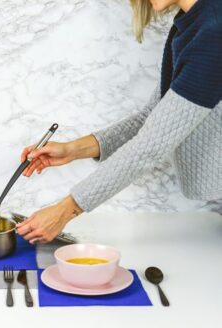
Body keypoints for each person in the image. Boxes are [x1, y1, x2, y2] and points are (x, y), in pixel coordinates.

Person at [16, 0, 222, 244]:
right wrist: (73, 149)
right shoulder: (190, 26)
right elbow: (154, 117)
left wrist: (65, 210)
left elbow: (152, 144)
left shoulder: (214, 31)